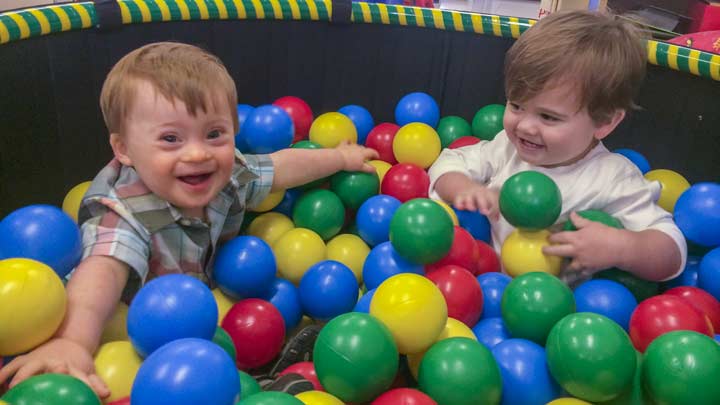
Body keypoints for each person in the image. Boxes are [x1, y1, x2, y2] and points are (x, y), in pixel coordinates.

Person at [0, 42, 378, 398]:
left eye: (214, 133)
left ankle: (265, 370)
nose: (197, 153)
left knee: (252, 326)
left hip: (211, 303)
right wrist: (74, 342)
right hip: (137, 331)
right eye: (170, 139)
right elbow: (102, 272)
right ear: (124, 149)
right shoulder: (123, 210)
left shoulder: (227, 175)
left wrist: (340, 160)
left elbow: (279, 167)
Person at [428, 11, 686, 285]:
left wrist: (623, 248)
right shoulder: (506, 146)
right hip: (483, 286)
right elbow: (448, 162)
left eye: (548, 117)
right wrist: (464, 189)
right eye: (516, 105)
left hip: (562, 316)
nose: (525, 126)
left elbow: (672, 249)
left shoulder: (612, 178)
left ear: (605, 122)